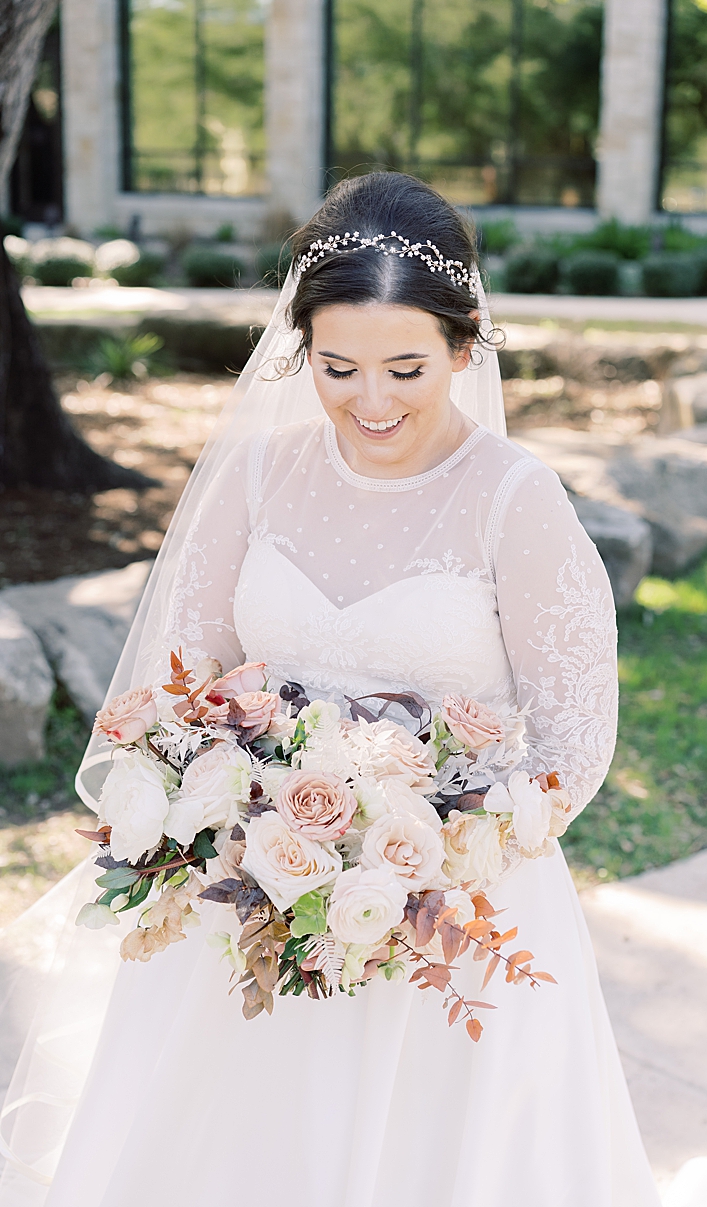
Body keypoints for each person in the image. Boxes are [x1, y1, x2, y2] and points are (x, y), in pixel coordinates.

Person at [0, 172, 661, 1206]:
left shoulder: (514, 502)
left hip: (447, 914)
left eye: (404, 366)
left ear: (463, 341)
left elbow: (571, 744)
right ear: (297, 344)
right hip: (247, 900)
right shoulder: (258, 476)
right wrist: (226, 803)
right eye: (337, 364)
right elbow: (186, 683)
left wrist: (419, 859)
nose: (370, 400)